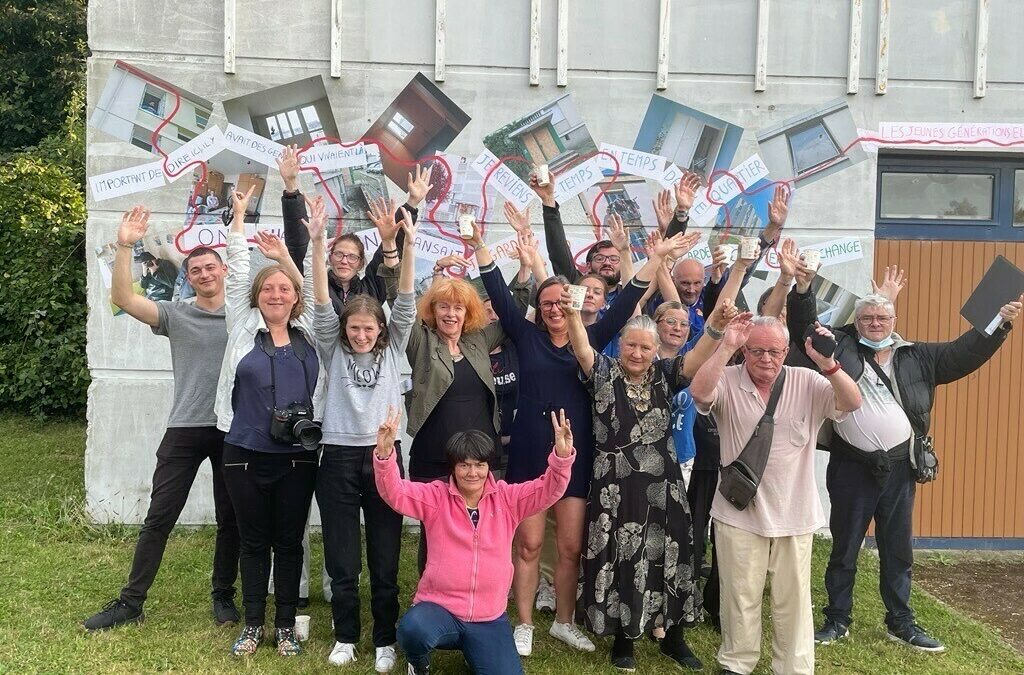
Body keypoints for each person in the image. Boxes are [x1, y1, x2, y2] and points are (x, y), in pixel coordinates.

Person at [473, 222, 694, 657]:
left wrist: (657, 257)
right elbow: (497, 291)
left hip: (575, 457)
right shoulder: (525, 334)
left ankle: (564, 621)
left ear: (572, 305)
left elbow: (630, 296)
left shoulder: (591, 338)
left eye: (562, 302)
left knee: (572, 546)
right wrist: (480, 246)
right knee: (531, 543)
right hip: (530, 453)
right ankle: (522, 623)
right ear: (539, 306)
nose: (555, 309)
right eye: (547, 302)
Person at [787, 267, 1024, 654]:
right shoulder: (841, 345)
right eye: (867, 317)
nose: (875, 323)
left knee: (897, 548)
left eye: (882, 317)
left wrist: (999, 321)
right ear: (856, 321)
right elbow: (804, 328)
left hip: (899, 468)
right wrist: (802, 289)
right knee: (844, 546)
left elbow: (966, 352)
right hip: (852, 465)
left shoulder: (920, 356)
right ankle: (836, 618)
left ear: (895, 320)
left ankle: (901, 622)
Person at [83, 206, 240, 632]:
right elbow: (123, 299)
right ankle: (131, 603)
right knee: (160, 517)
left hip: (232, 429)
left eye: (211, 267)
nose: (205, 274)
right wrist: (125, 244)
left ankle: (223, 597)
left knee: (232, 520)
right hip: (185, 427)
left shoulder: (244, 316)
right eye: (196, 270)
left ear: (225, 270)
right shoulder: (177, 313)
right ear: (188, 277)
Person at [567, 290, 741, 671]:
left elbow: (696, 357)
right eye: (631, 345)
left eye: (646, 347)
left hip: (664, 485)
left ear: (655, 349)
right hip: (615, 485)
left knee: (671, 557)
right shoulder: (603, 371)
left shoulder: (666, 374)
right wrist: (573, 313)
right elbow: (581, 349)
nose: (637, 353)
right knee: (620, 556)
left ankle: (673, 637)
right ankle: (623, 638)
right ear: (621, 345)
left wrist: (716, 327)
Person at [690, 315, 862, 675]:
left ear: (786, 351)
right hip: (738, 513)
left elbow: (852, 402)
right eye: (756, 351)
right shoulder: (728, 377)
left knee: (794, 601)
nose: (765, 359)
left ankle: (794, 668)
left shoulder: (808, 380)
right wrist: (726, 347)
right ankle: (736, 663)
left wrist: (828, 364)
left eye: (774, 351)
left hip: (794, 515)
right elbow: (700, 393)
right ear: (745, 351)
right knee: (739, 597)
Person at [294, 197, 415, 670]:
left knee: (384, 560)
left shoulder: (395, 344)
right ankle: (345, 636)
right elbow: (321, 297)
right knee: (343, 560)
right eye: (355, 329)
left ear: (380, 329)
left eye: (369, 329)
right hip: (339, 459)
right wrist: (320, 239)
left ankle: (385, 640)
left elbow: (404, 298)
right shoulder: (331, 345)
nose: (361, 336)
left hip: (384, 458)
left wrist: (403, 245)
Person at [374, 406, 577, 675]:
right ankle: (418, 662)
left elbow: (547, 490)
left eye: (479, 465)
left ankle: (475, 649)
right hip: (439, 609)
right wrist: (385, 456)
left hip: (487, 618)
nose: (472, 473)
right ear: (454, 468)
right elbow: (395, 493)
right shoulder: (436, 498)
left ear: (488, 467)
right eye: (464, 465)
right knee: (413, 631)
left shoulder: (508, 499)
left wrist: (561, 458)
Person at [215, 186, 327, 657]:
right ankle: (253, 625)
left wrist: (313, 245)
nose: (276, 294)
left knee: (290, 541)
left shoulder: (313, 333)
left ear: (294, 294)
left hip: (298, 456)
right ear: (257, 296)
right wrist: (238, 219)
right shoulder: (241, 324)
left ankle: (284, 627)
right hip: (244, 452)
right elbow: (239, 268)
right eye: (268, 288)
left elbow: (316, 290)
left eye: (284, 288)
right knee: (254, 541)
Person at [279, 145, 433, 312]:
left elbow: (389, 247)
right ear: (329, 258)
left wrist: (412, 203)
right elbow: (298, 244)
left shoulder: (371, 291)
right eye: (339, 254)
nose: (344, 261)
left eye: (352, 257)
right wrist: (291, 187)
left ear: (360, 264)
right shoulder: (316, 283)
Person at [528, 176, 634, 313]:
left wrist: (625, 251)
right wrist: (548, 201)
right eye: (600, 258)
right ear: (588, 266)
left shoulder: (630, 295)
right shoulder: (577, 287)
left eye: (614, 259)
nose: (607, 263)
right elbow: (559, 253)